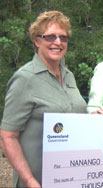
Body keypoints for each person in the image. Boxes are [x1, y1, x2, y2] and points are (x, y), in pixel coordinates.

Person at [0, 11, 87, 187]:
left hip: (68, 177)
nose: (58, 42)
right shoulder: (25, 78)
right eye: (50, 37)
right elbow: (8, 136)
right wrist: (30, 180)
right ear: (37, 40)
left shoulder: (68, 75)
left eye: (63, 38)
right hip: (36, 181)